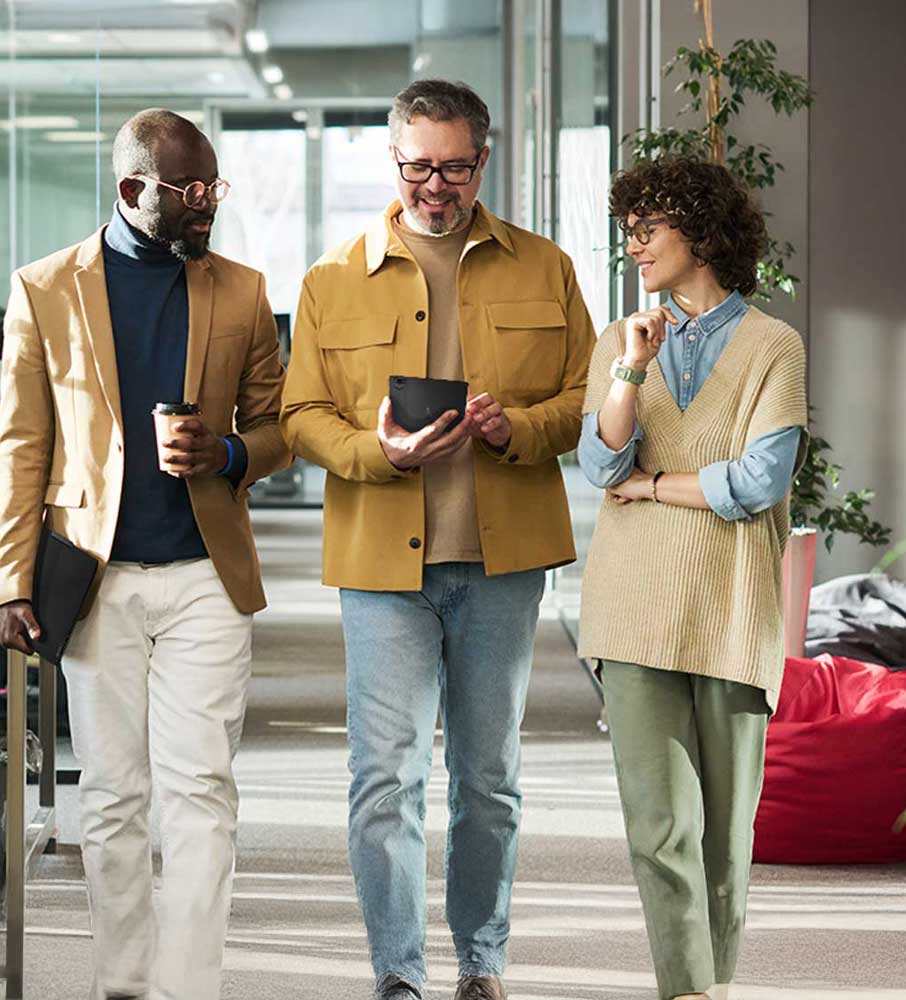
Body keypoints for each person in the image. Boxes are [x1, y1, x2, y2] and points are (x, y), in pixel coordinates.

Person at [280, 78, 595, 1000]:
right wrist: (376, 452)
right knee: (386, 779)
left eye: (454, 166)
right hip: (381, 563)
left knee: (488, 779)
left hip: (502, 565)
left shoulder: (545, 268)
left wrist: (518, 431)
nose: (435, 185)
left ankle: (482, 963)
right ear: (393, 159)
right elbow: (298, 413)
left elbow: (587, 400)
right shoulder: (333, 278)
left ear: (482, 160)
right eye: (418, 165)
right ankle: (397, 974)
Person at [0, 109, 290, 1000]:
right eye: (189, 192)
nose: (207, 206)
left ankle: (186, 988)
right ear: (135, 191)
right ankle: (122, 985)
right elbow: (21, 444)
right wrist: (11, 580)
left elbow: (280, 430)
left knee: (199, 793)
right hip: (94, 579)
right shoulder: (46, 289)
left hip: (206, 575)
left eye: (214, 188)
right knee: (117, 800)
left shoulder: (240, 290)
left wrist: (229, 454)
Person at [576, 155, 809, 1000]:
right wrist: (632, 370)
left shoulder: (773, 346)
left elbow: (759, 485)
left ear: (701, 233)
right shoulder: (620, 340)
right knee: (659, 828)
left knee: (723, 841)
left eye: (649, 229)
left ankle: (710, 980)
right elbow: (602, 464)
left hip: (731, 609)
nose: (633, 247)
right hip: (630, 608)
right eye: (628, 231)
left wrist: (657, 486)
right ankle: (690, 991)